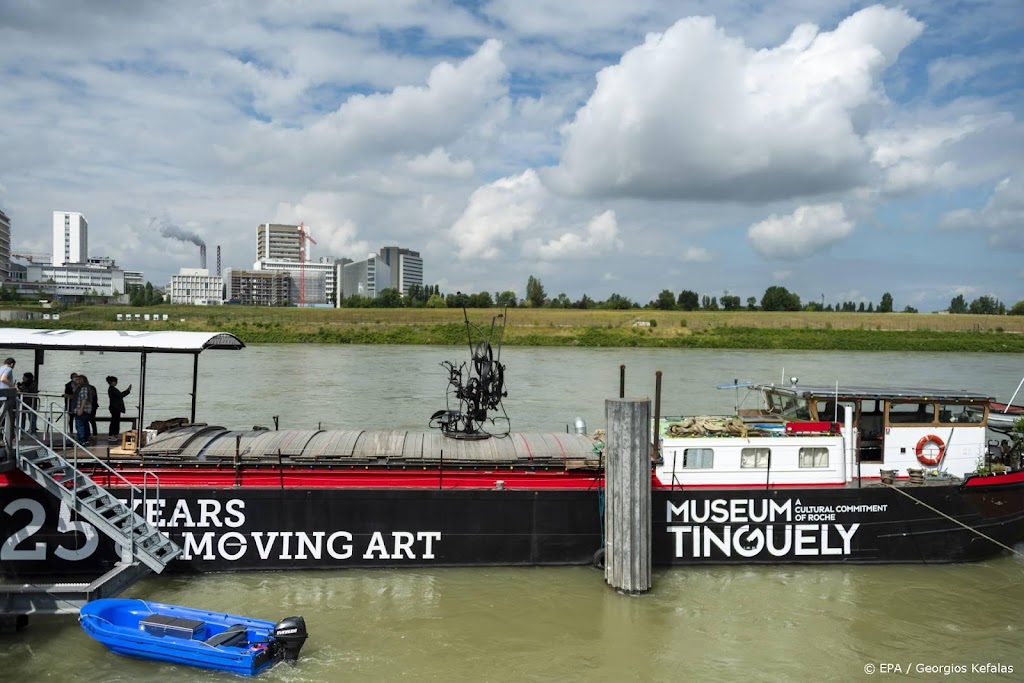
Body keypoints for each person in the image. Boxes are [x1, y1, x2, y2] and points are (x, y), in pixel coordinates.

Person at [106, 375, 132, 441]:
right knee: (114, 421)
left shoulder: (112, 389)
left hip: (115, 407)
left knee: (115, 421)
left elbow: (120, 395)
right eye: (115, 381)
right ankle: (112, 434)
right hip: (115, 407)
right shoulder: (112, 389)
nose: (116, 382)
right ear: (112, 382)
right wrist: (127, 391)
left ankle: (114, 434)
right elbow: (120, 395)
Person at [73, 374, 91, 444]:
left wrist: (81, 409)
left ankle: (82, 440)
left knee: (80, 425)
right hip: (86, 410)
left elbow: (84, 399)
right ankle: (86, 439)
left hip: (82, 409)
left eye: (78, 379)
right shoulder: (82, 388)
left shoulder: (83, 388)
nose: (77, 381)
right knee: (84, 424)